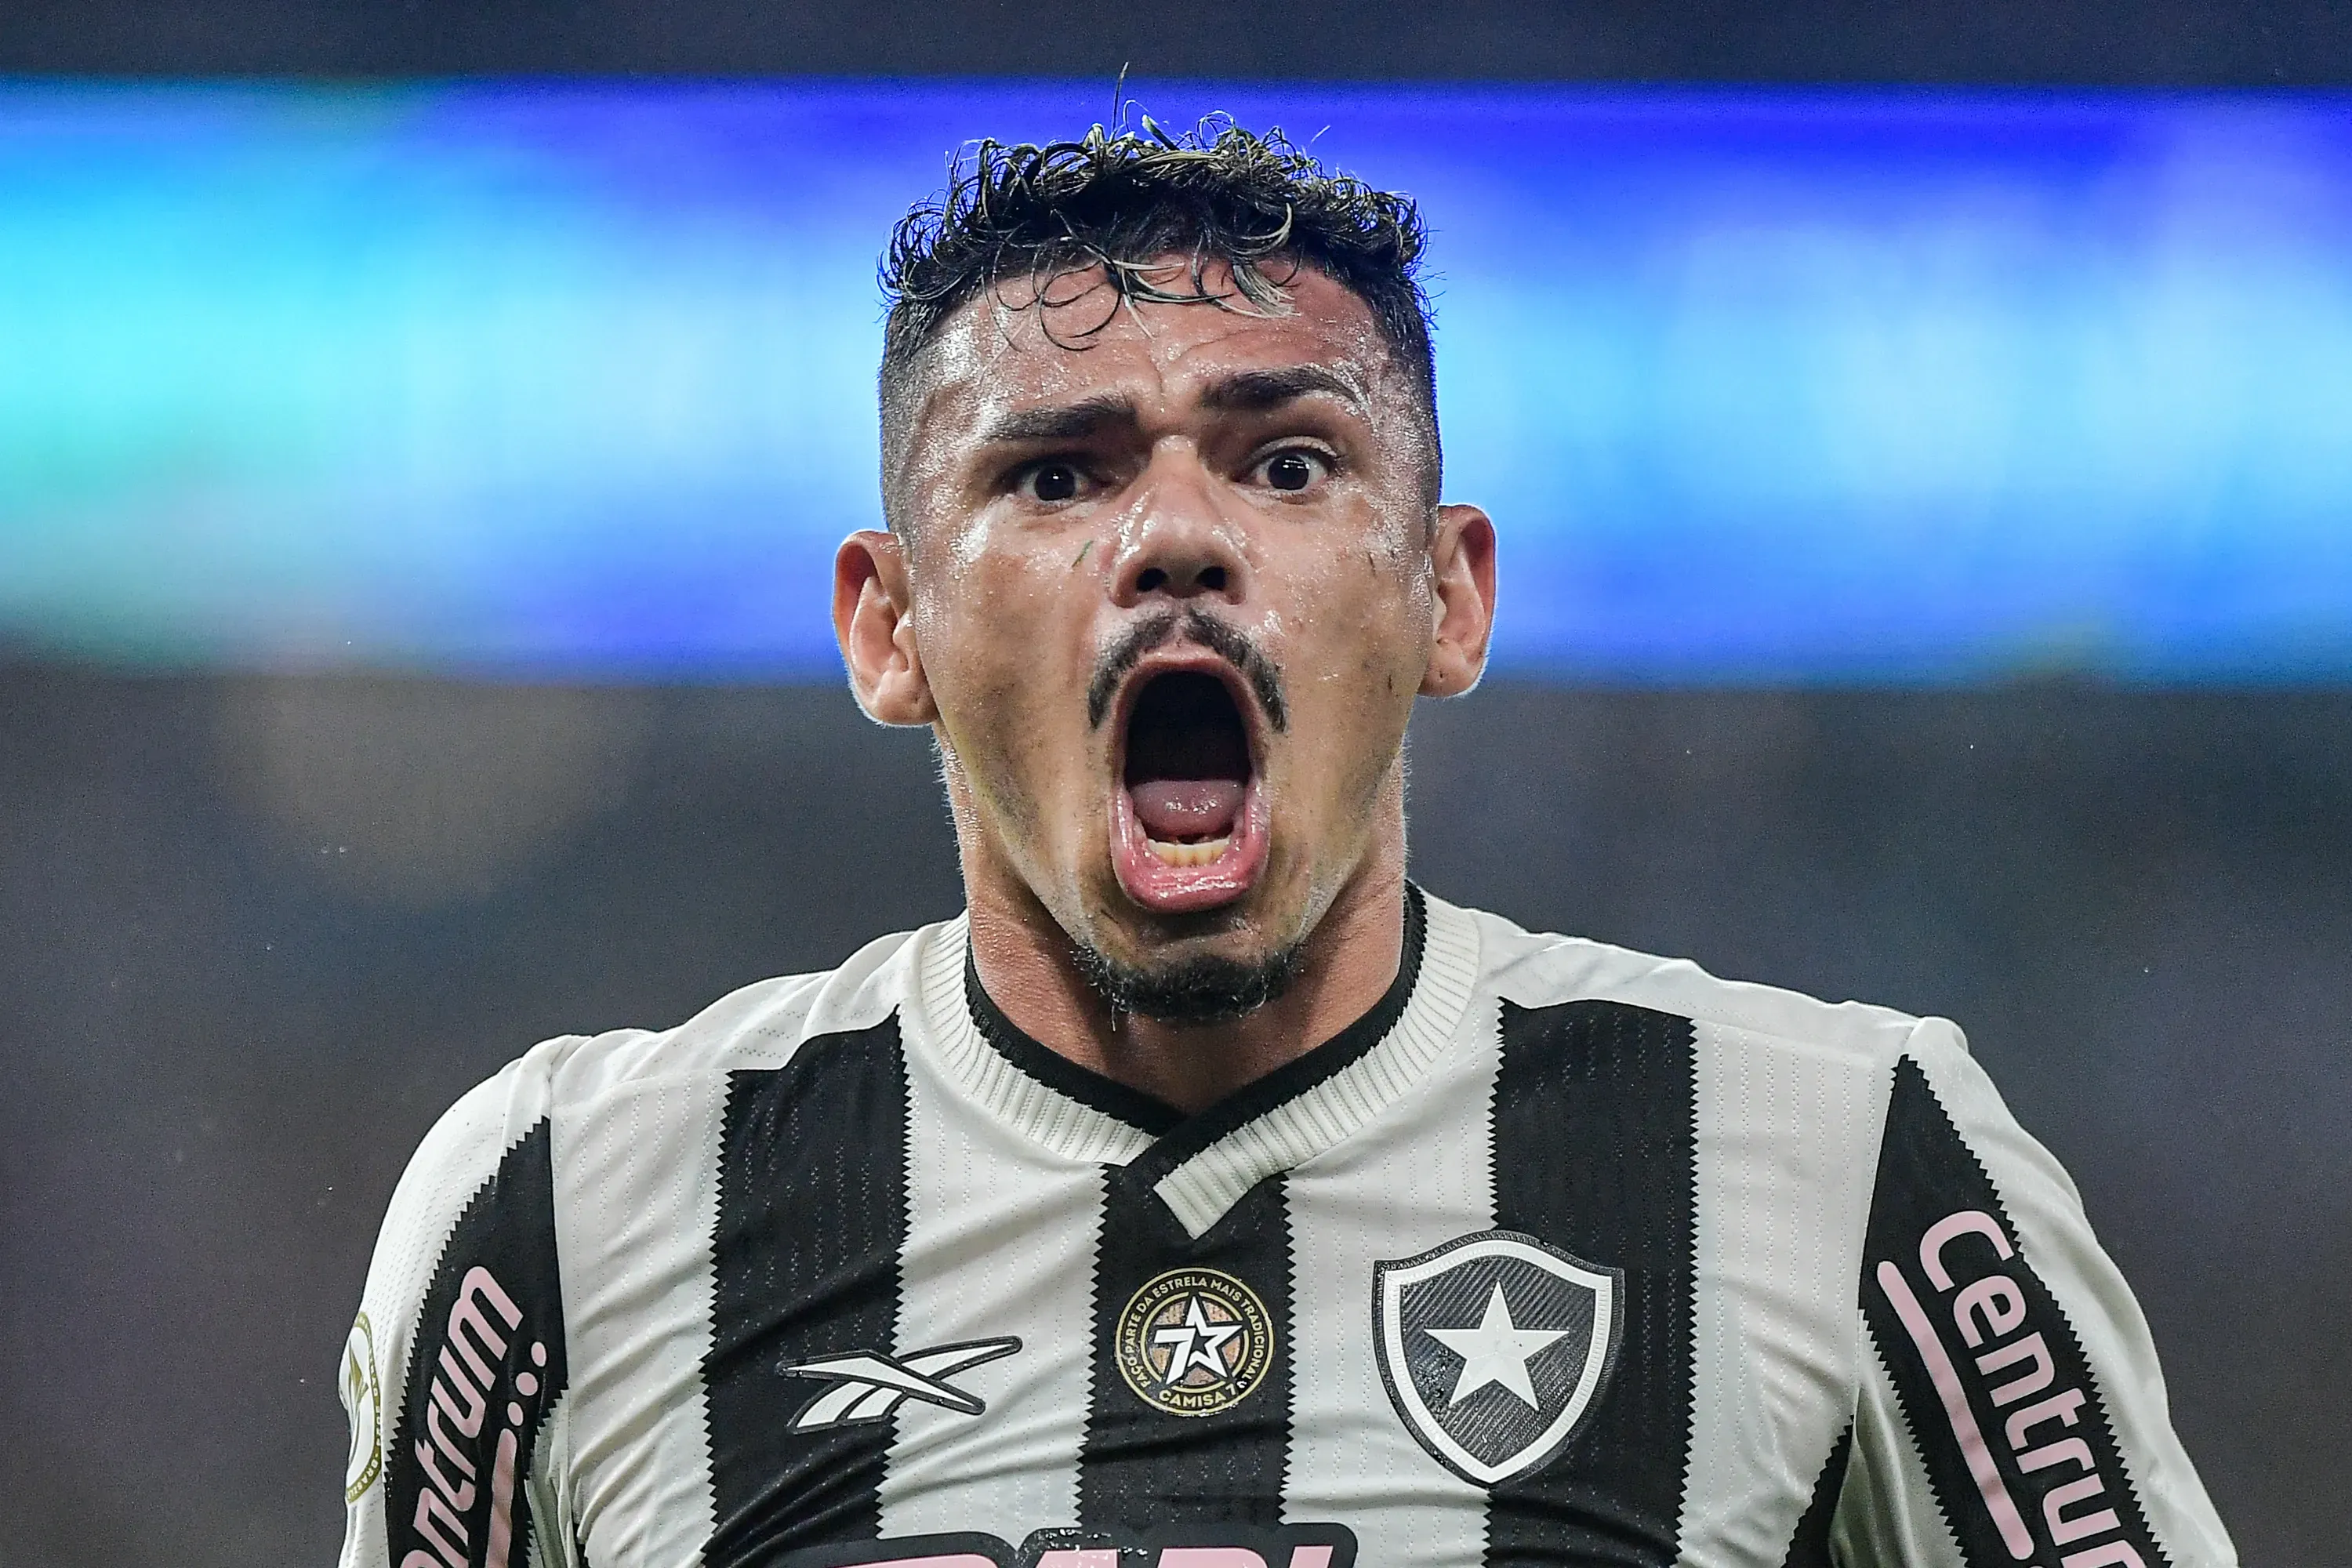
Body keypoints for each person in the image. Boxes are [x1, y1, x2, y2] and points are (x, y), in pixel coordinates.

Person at [336, 121, 2235, 1568]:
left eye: (1290, 462)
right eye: (1058, 472)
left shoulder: (1850, 1163)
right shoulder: (565, 1221)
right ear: (889, 624)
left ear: (1447, 596)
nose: (1175, 535)